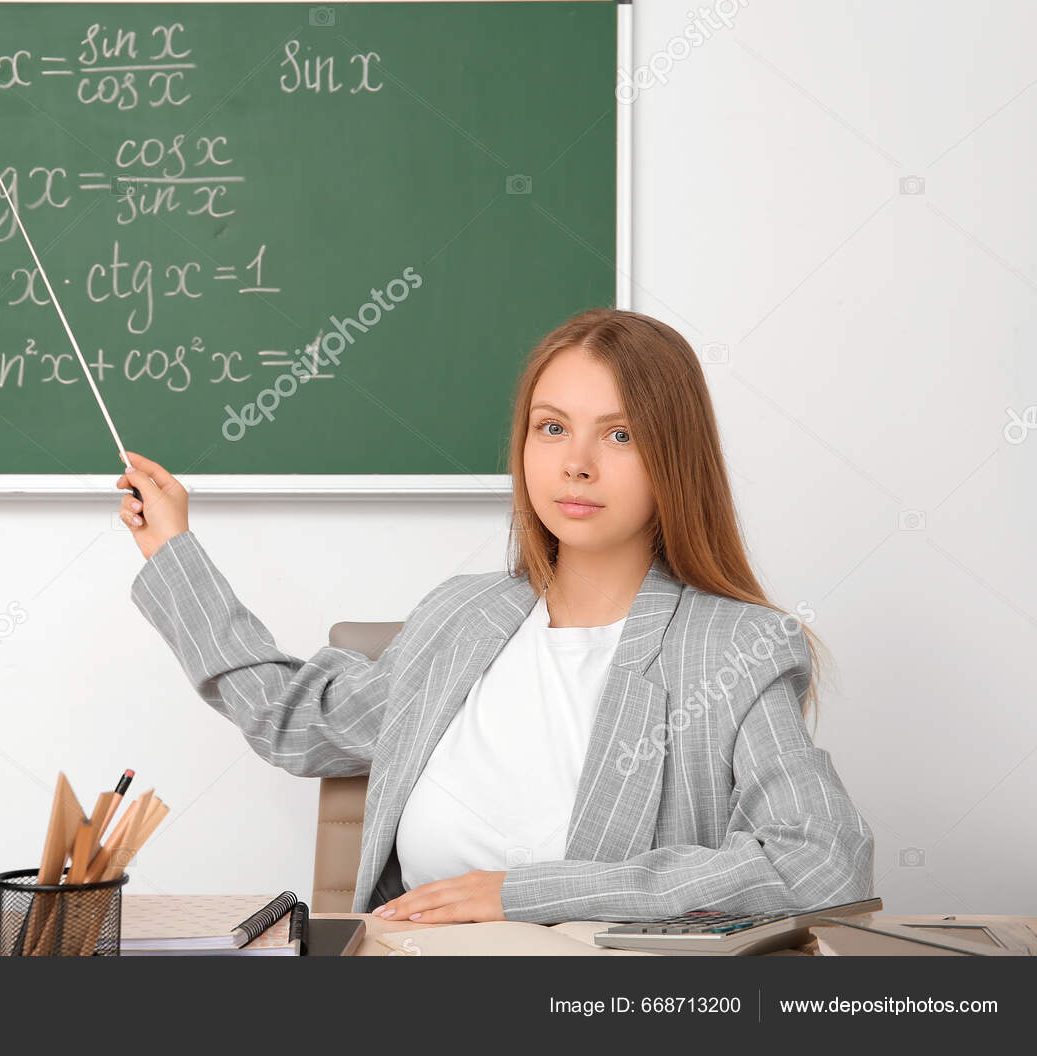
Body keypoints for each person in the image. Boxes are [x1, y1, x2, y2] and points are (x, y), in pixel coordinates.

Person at [116, 309, 875, 923]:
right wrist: (172, 550)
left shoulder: (734, 647)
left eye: (620, 434)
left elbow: (820, 861)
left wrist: (524, 893)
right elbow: (294, 719)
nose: (576, 462)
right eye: (552, 428)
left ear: (673, 457)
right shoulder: (463, 616)